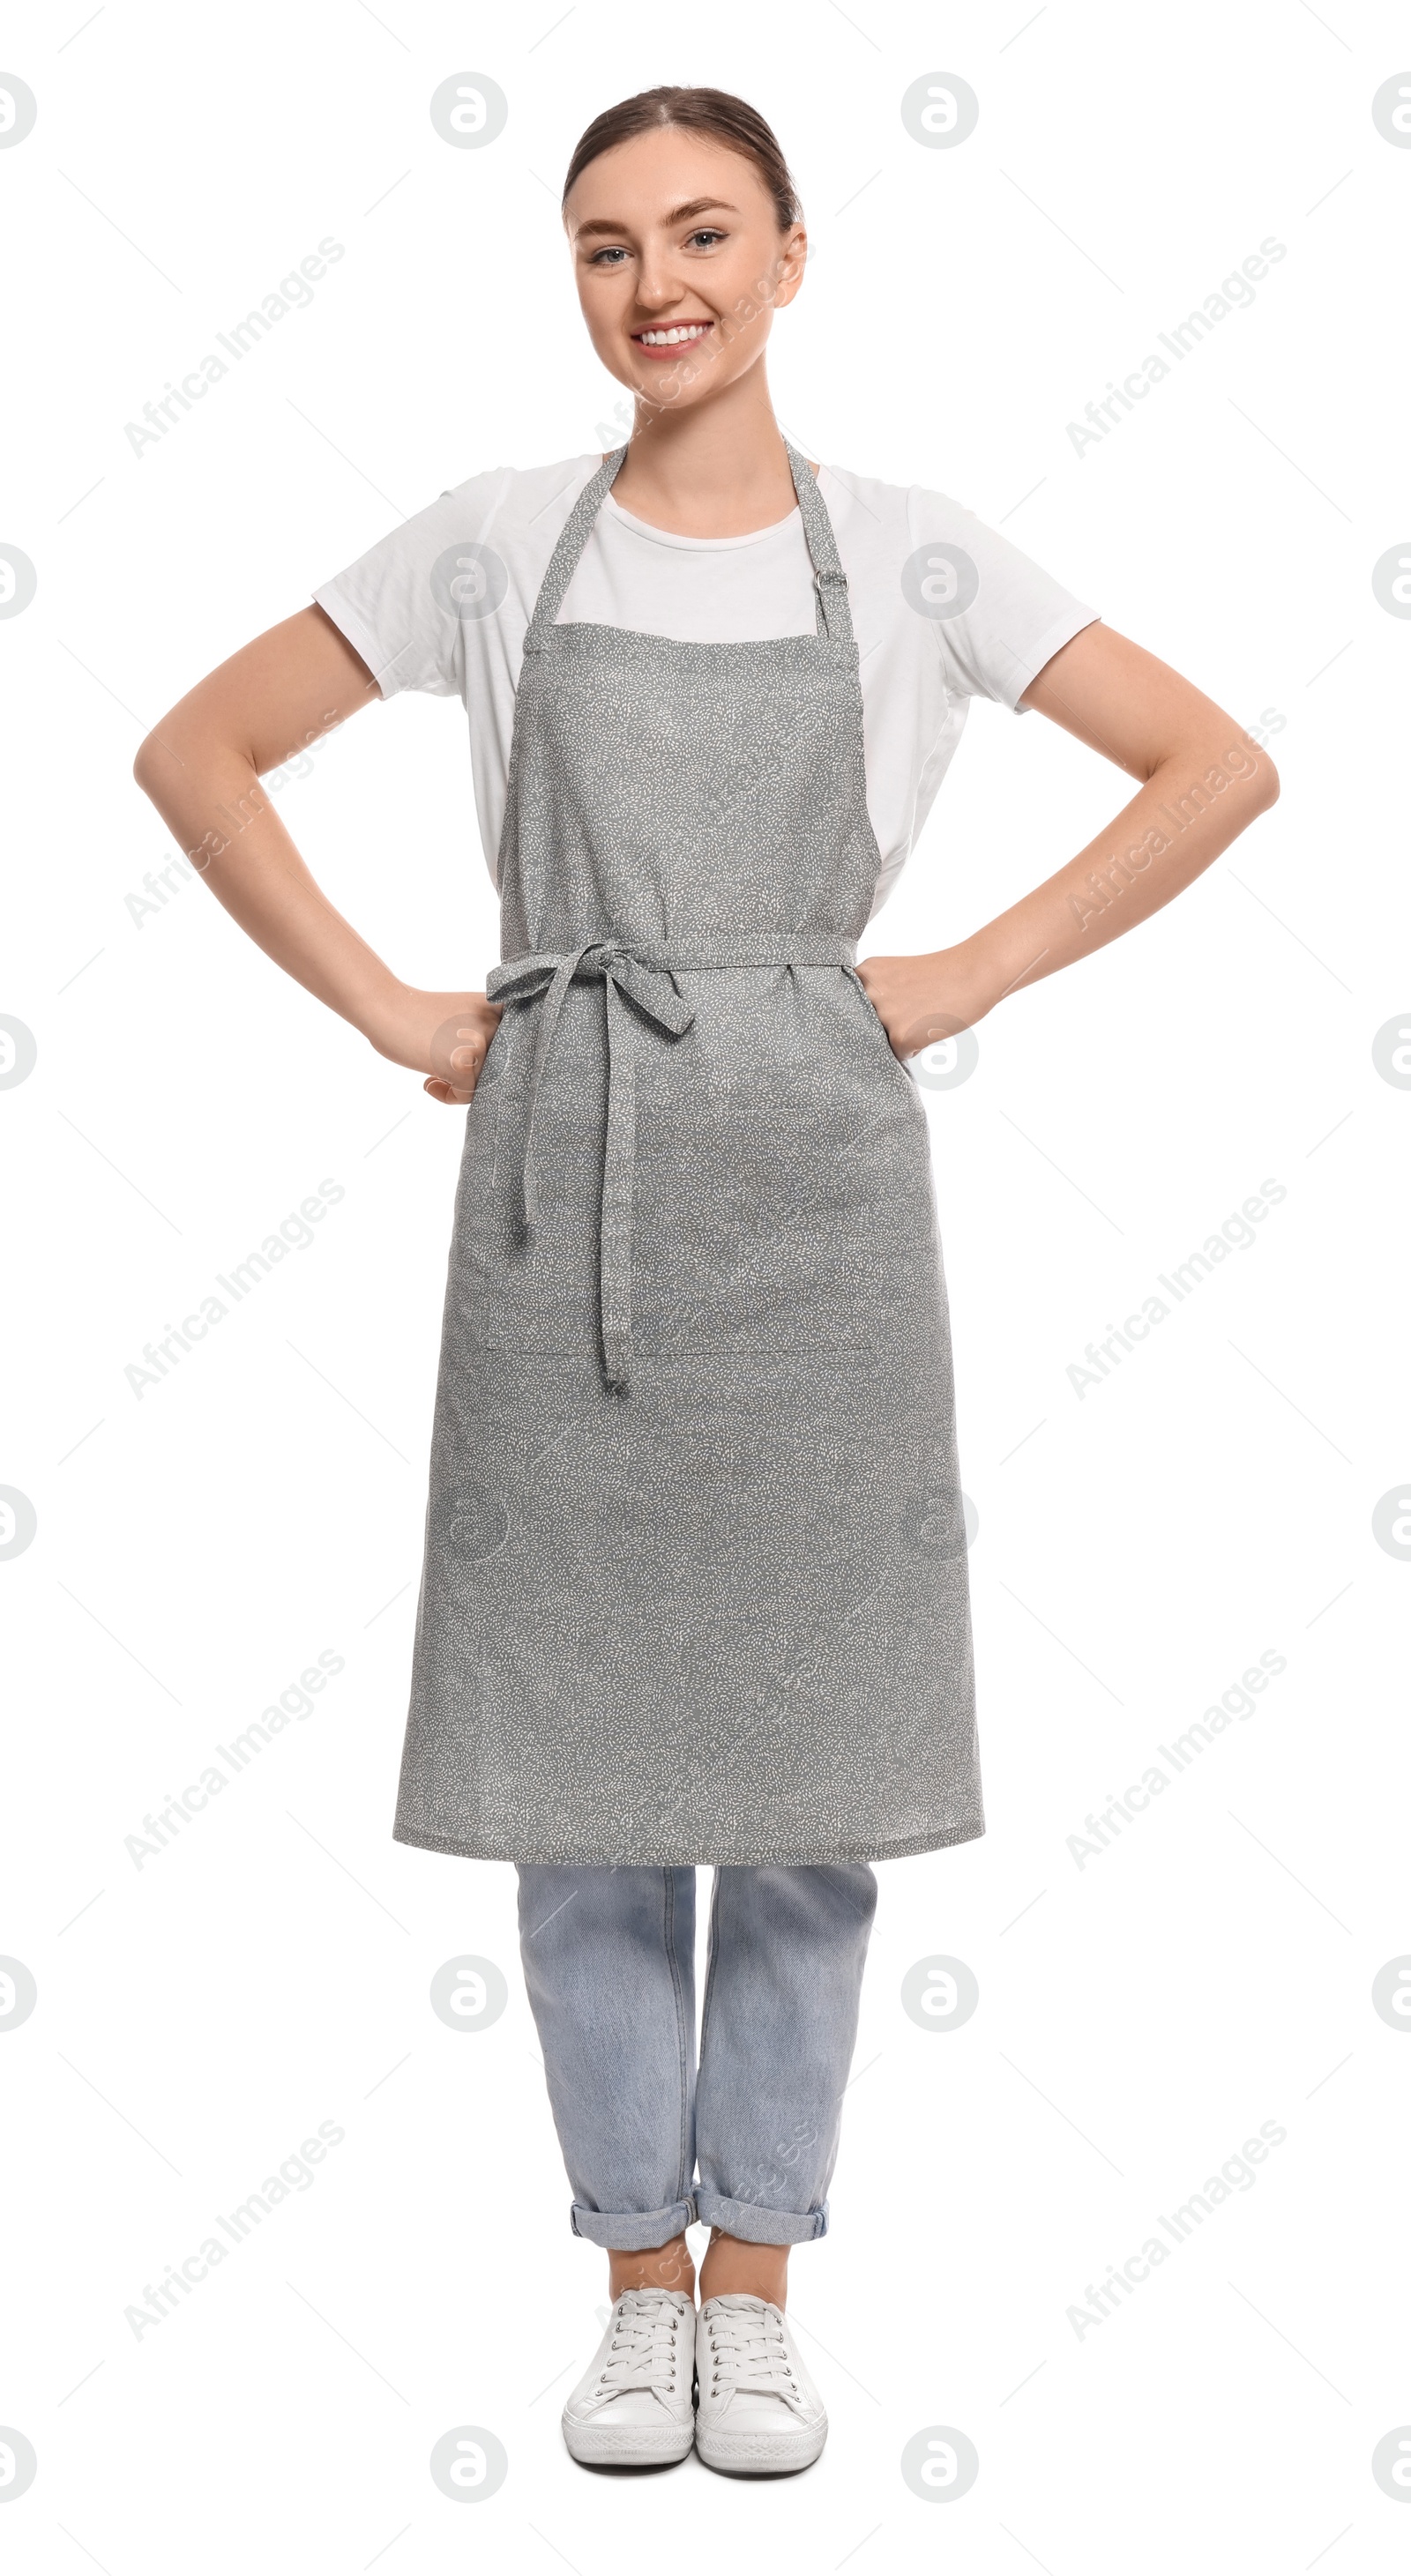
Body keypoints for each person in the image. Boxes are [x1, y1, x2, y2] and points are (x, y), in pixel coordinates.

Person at [134, 85, 1279, 2478]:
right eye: (603, 244)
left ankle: (755, 2270)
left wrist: (963, 966)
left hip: (822, 1202)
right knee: (575, 1760)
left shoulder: (916, 557)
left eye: (700, 233)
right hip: (565, 1171)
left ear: (785, 259)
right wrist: (386, 1001)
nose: (653, 279)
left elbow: (1211, 764)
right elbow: (200, 747)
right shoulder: (488, 545)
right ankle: (627, 2275)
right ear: (576, 279)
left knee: (807, 1758)